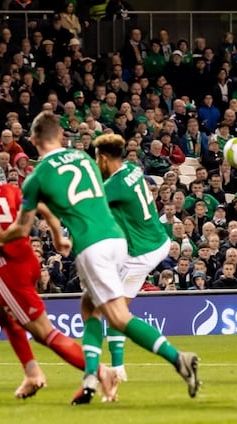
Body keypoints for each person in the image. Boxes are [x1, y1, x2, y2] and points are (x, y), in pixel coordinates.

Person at [0, 111, 199, 404]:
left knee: (117, 317)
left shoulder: (37, 176)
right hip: (118, 239)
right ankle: (91, 376)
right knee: (89, 307)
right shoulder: (87, 161)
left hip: (93, 247)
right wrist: (56, 231)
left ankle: (178, 358)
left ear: (33, 139)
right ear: (61, 135)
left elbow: (22, 229)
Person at [0, 147, 91, 399]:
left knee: (45, 332)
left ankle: (99, 371)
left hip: (7, 266)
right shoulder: (6, 187)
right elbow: (42, 207)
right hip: (28, 260)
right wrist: (57, 234)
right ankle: (32, 372)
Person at [94, 133, 172, 385]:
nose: (97, 163)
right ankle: (118, 366)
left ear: (104, 158)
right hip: (157, 240)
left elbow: (90, 203)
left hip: (142, 251)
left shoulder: (114, 185)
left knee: (116, 311)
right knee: (116, 308)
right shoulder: (133, 169)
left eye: (97, 158)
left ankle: (119, 367)